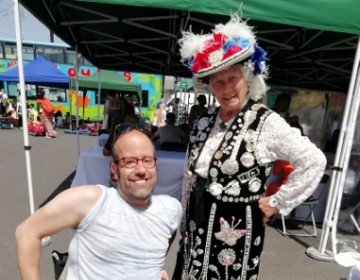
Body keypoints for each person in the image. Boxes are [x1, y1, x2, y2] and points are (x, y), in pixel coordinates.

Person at [173, 15, 326, 280]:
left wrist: (277, 201)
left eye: (232, 78)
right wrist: (184, 220)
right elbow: (190, 174)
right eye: (217, 82)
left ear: (246, 78)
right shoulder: (204, 121)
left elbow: (314, 160)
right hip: (196, 226)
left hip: (236, 232)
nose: (226, 88)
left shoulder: (267, 122)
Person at [15, 128, 182, 280]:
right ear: (114, 171)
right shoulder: (93, 201)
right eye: (129, 162)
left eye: (147, 160)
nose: (141, 170)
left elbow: (165, 238)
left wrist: (152, 269)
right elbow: (27, 231)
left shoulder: (171, 209)